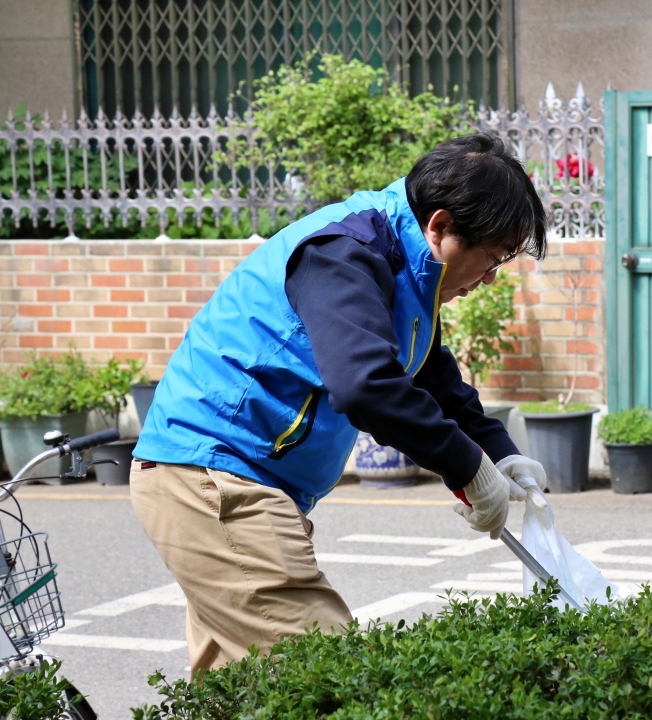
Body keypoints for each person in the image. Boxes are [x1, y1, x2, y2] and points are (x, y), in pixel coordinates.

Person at [130, 133, 550, 675]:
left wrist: (499, 452)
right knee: (335, 677)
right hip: (215, 476)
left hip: (238, 481)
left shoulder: (405, 261)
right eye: (490, 260)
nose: (490, 279)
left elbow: (432, 376)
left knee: (239, 692)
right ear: (441, 227)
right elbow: (366, 386)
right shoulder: (344, 253)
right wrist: (469, 469)